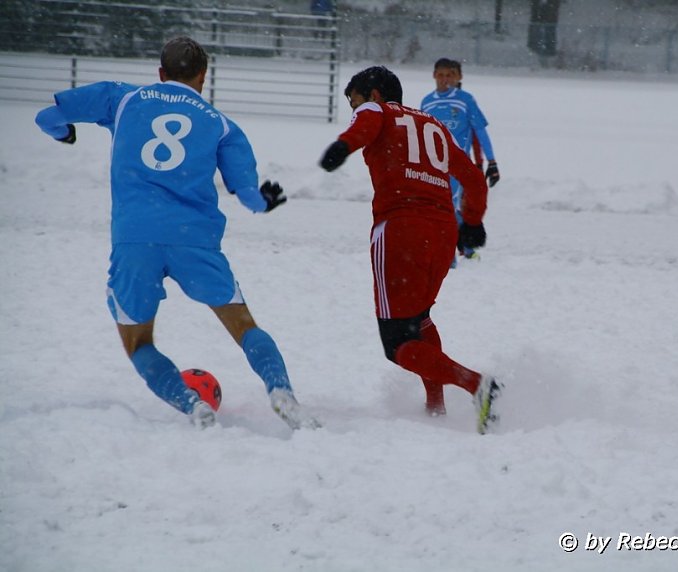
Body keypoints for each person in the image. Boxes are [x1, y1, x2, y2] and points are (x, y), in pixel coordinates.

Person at [34, 36, 319, 429]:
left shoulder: (122, 99)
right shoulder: (221, 125)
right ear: (203, 76)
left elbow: (46, 118)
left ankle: (192, 405)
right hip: (195, 241)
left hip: (136, 239)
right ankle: (280, 390)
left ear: (160, 73)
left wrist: (63, 133)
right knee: (245, 326)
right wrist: (265, 200)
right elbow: (251, 198)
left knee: (139, 342)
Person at [318, 66, 501, 432]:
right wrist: (474, 222)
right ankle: (435, 407)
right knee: (420, 318)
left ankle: (476, 384)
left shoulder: (377, 109)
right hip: (443, 230)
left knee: (397, 343)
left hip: (401, 229)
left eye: (353, 101)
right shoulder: (433, 124)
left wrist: (344, 145)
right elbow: (471, 178)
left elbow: (366, 123)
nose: (353, 109)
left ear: (372, 94)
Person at [421, 57, 500, 262]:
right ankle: (458, 248)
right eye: (441, 75)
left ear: (459, 77)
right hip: (432, 165)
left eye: (450, 75)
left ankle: (452, 256)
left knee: (451, 205)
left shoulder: (465, 100)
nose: (445, 79)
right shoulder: (427, 102)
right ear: (434, 76)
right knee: (433, 207)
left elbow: (480, 132)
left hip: (457, 165)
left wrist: (491, 161)